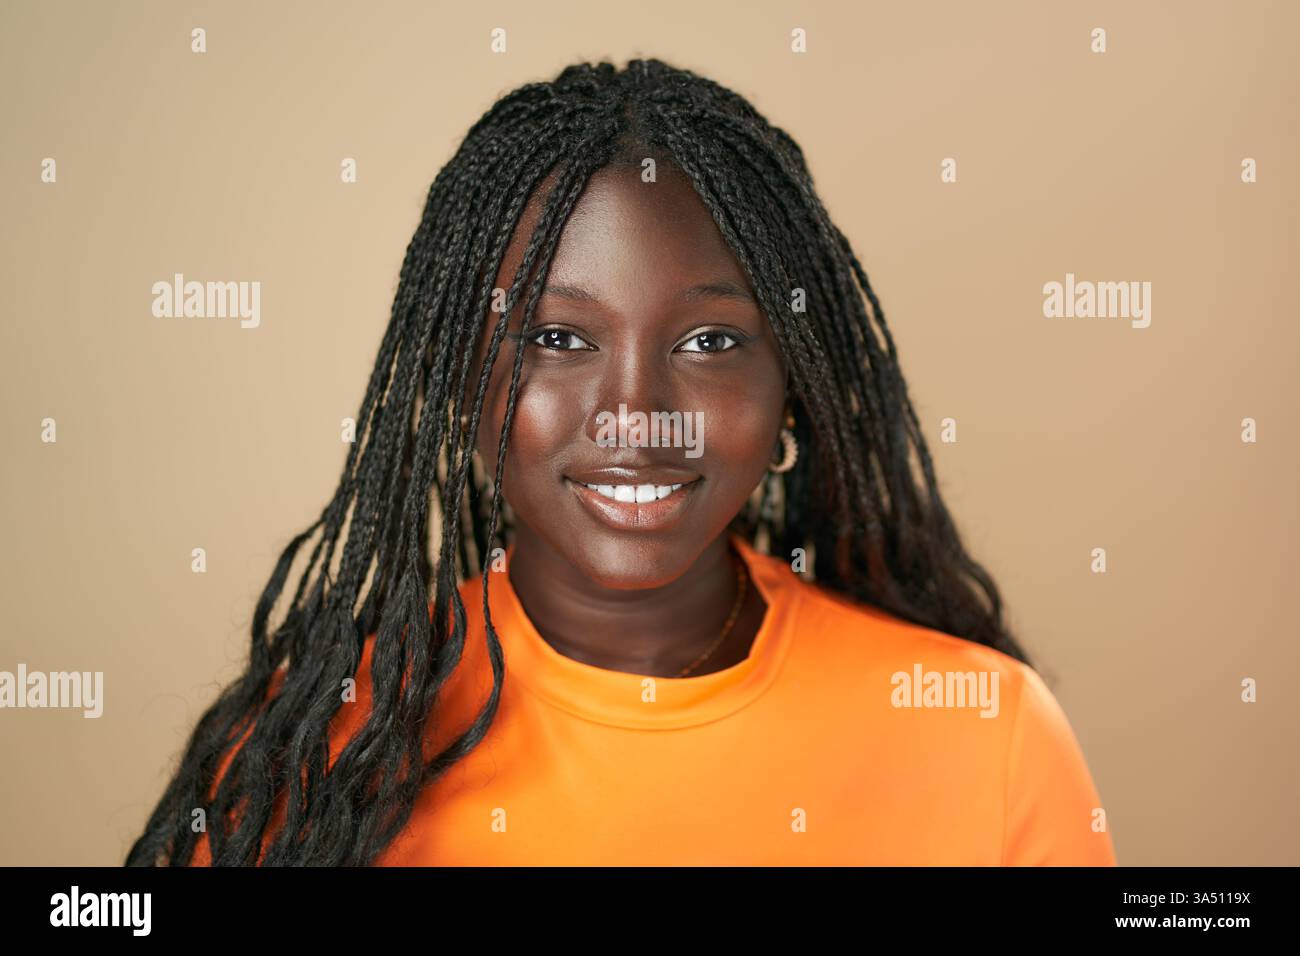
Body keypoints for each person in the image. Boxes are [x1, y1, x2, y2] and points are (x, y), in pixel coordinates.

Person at [126, 58, 1116, 867]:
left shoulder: (985, 733)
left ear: (791, 389)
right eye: (558, 338)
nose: (636, 418)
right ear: (463, 384)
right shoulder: (318, 757)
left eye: (710, 341)